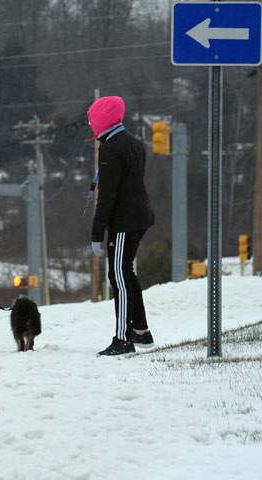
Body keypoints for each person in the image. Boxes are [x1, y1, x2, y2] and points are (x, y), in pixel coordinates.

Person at [86, 96, 155, 356]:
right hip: (140, 215)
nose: (92, 126)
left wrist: (97, 232)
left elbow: (108, 195)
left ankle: (123, 339)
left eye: (93, 120)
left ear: (102, 119)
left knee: (118, 276)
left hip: (125, 221)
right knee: (126, 272)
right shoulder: (133, 142)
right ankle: (141, 332)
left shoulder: (111, 148)